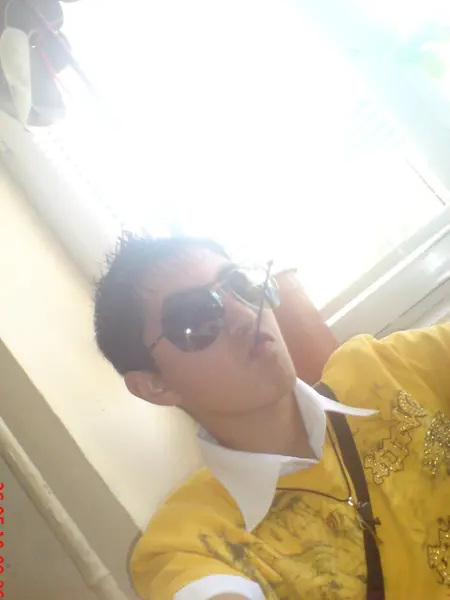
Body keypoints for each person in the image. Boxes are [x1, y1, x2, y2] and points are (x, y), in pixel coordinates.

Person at [94, 233, 450, 600]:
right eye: (196, 316)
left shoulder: (388, 368)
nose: (246, 315)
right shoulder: (192, 544)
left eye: (239, 286)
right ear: (155, 385)